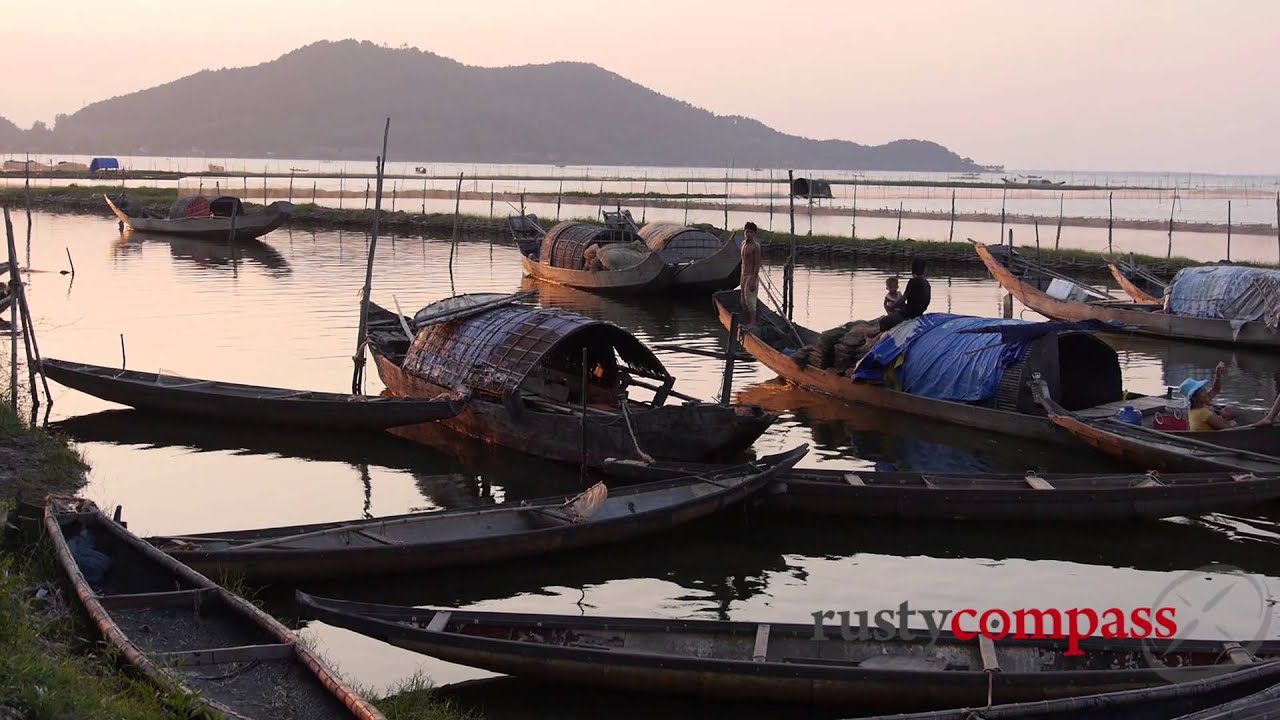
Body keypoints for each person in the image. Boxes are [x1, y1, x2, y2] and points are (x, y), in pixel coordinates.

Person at [1181, 362, 1238, 431]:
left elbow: (1215, 390)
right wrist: (1232, 423)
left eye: (1204, 390)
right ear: (1194, 398)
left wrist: (1218, 375)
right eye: (1202, 391)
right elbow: (1227, 428)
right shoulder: (1203, 413)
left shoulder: (1198, 405)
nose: (1206, 392)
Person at [880, 258, 931, 332]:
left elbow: (903, 298)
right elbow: (927, 300)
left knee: (883, 321)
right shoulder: (927, 283)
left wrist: (892, 307)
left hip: (908, 314)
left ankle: (881, 335)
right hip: (920, 312)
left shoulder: (913, 282)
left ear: (912, 270)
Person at [739, 222, 762, 327]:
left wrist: (753, 280)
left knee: (750, 300)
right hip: (743, 275)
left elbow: (757, 264)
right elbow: (743, 262)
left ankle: (753, 321)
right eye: (747, 231)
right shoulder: (743, 244)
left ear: (754, 234)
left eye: (751, 232)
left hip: (751, 276)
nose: (748, 234)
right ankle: (746, 318)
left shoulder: (755, 247)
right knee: (743, 299)